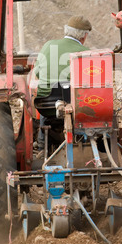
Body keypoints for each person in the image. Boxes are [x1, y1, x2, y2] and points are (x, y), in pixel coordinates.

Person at [33, 15, 92, 149]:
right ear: (84, 36)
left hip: (46, 106)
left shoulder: (48, 46)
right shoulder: (86, 52)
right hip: (78, 107)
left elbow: (37, 73)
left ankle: (42, 143)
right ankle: (84, 142)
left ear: (66, 31)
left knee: (47, 97)